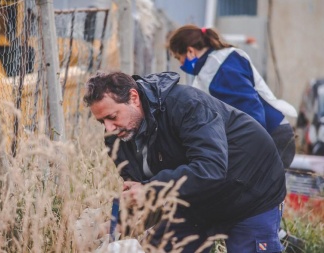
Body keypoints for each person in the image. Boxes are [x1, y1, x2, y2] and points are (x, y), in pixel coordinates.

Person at [83, 71, 286, 252]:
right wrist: (113, 223)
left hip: (249, 192)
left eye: (112, 116)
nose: (109, 128)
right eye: (102, 121)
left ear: (133, 98)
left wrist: (149, 190)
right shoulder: (118, 137)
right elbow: (143, 193)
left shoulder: (187, 104)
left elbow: (210, 168)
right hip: (194, 199)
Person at [168, 24, 297, 168]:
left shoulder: (221, 69)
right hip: (268, 134)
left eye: (179, 58)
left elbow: (251, 112)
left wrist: (254, 151)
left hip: (270, 136)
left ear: (190, 51)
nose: (180, 64)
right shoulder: (213, 66)